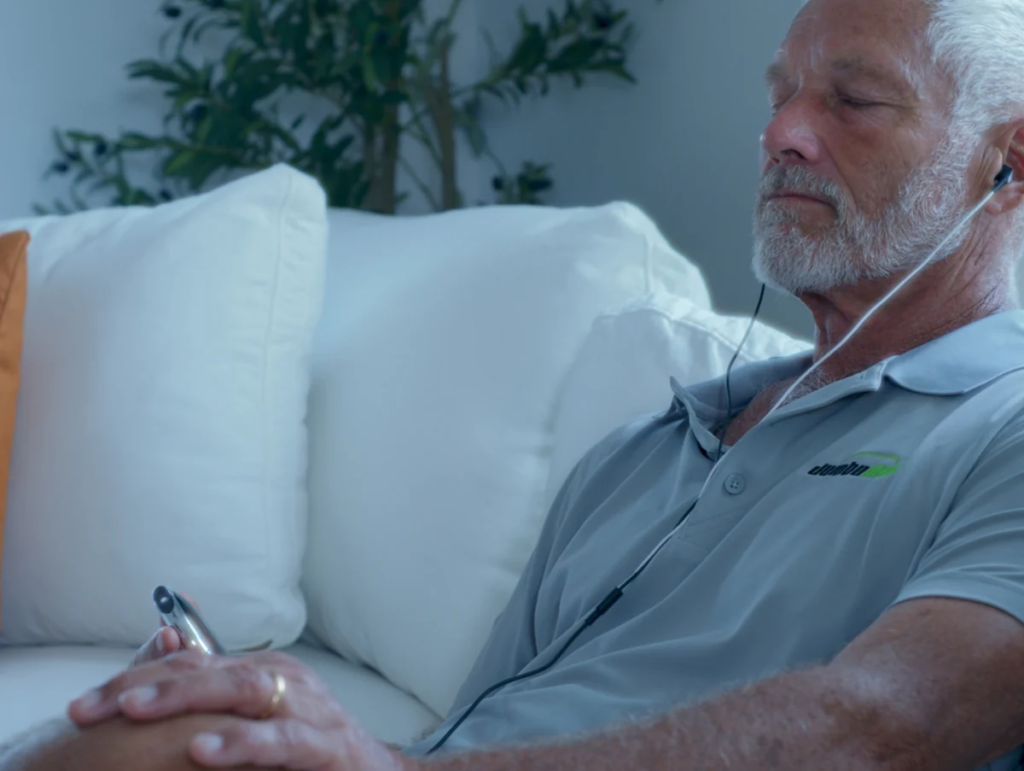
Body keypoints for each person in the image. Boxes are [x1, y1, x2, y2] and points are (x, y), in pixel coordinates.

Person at [6, 0, 1024, 768]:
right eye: (778, 96)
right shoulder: (645, 450)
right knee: (184, 722)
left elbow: (888, 723)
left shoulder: (1003, 427)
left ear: (1008, 160)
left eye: (851, 100)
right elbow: (474, 733)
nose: (781, 133)